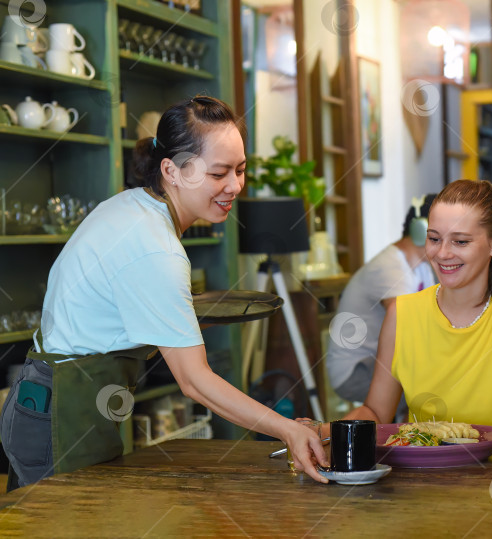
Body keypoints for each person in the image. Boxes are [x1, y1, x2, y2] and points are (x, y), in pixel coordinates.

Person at [0, 96, 328, 489]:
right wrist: (287, 429)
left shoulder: (134, 205)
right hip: (62, 412)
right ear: (171, 170)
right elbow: (193, 381)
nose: (235, 186)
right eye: (219, 173)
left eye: (240, 170)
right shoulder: (156, 246)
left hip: (54, 400)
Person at [343, 179, 492, 467]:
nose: (442, 253)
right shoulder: (402, 314)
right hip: (423, 485)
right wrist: (324, 431)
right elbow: (375, 413)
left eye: (460, 241)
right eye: (434, 238)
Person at [326, 195, 437, 412]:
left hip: (380, 362)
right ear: (422, 230)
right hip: (356, 369)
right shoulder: (390, 268)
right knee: (433, 389)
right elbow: (410, 328)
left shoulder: (423, 265)